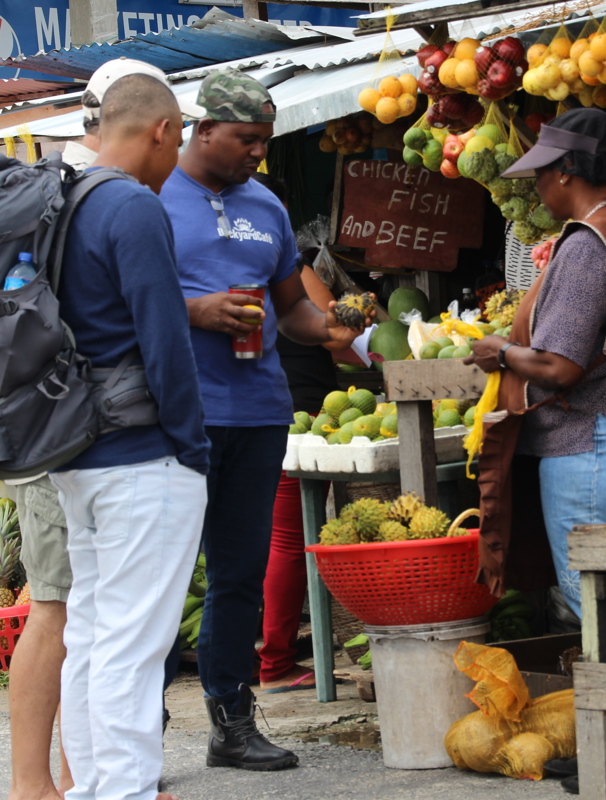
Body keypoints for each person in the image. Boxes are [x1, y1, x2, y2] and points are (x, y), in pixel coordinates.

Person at [464, 108, 606, 796]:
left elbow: (560, 367)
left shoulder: (591, 243)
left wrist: (500, 350)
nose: (537, 191)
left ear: (566, 175)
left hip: (598, 433)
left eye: (542, 178)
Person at [159, 70, 372, 770]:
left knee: (240, 573)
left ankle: (232, 720)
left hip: (258, 412)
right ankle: (136, 724)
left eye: (265, 141)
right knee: (157, 575)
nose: (258, 153)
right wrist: (197, 311)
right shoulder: (151, 195)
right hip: (176, 415)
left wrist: (339, 323)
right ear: (204, 129)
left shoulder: (267, 207)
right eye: (247, 140)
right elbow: (120, 302)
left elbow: (294, 313)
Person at [5, 57, 200, 800]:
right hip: (141, 457)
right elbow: (166, 340)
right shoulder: (132, 208)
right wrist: (193, 449)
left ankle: (90, 787)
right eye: (177, 141)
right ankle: (119, 790)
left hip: (76, 453)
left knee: (90, 632)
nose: (175, 159)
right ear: (162, 129)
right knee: (132, 645)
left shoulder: (59, 200)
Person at [249, 172, 345, 694]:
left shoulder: (243, 263)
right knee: (287, 541)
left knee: (273, 539)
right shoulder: (291, 267)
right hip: (300, 414)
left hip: (279, 411)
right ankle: (276, 663)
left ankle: (268, 658)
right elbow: (333, 325)